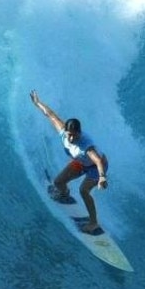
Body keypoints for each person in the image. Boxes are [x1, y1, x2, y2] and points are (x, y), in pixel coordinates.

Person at [29, 90, 109, 234]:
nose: (71, 138)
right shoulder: (64, 133)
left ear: (79, 132)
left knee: (84, 190)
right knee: (58, 182)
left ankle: (93, 223)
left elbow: (97, 160)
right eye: (69, 134)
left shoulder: (86, 145)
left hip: (97, 166)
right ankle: (64, 194)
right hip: (81, 162)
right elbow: (50, 115)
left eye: (74, 135)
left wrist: (102, 177)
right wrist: (38, 103)